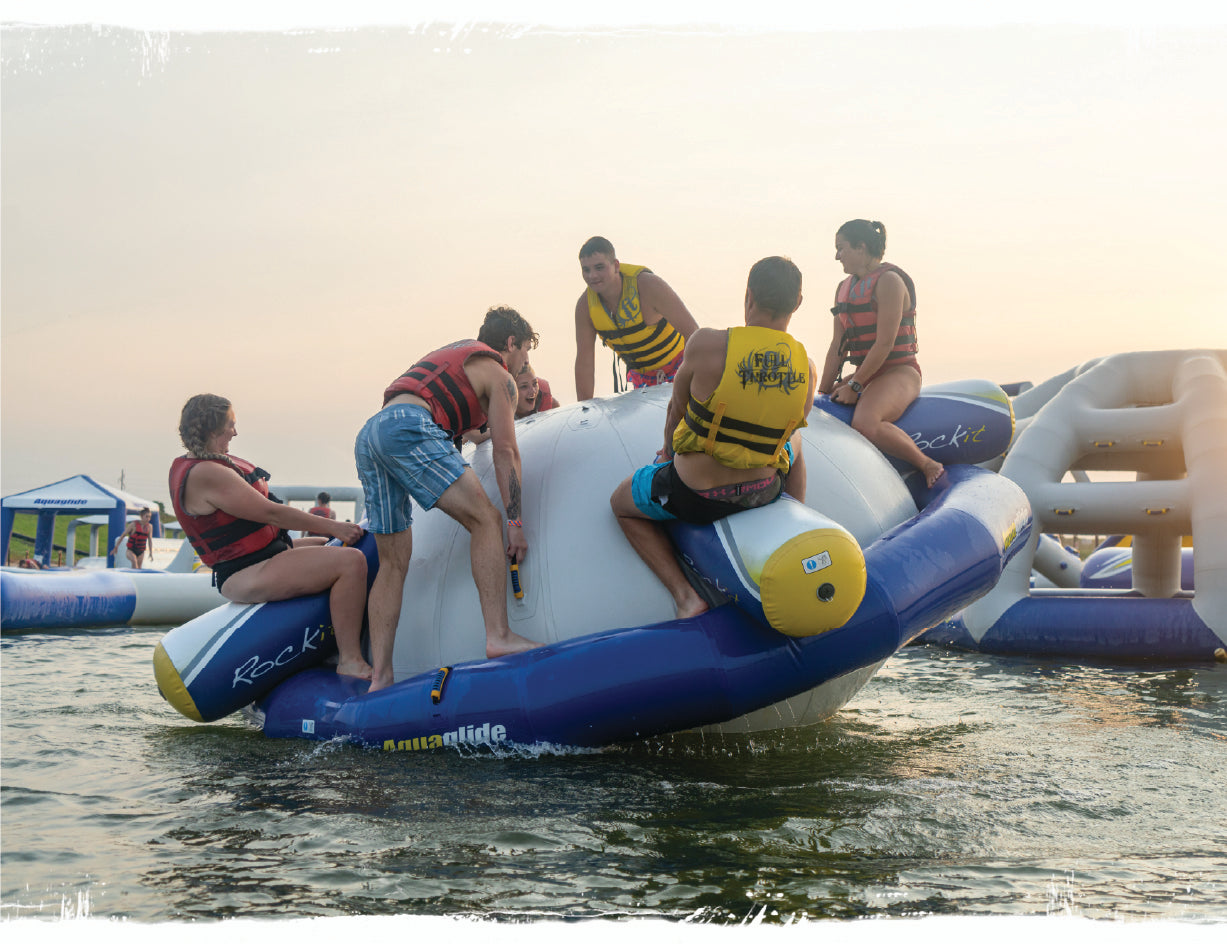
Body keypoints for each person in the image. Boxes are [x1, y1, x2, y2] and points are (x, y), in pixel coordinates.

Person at [610, 256, 817, 620]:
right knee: (796, 445)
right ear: (797, 303)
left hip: (695, 496)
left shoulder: (707, 344)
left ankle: (685, 598)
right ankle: (791, 522)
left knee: (621, 504)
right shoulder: (807, 367)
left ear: (748, 296)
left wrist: (666, 455)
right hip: (762, 491)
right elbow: (791, 425)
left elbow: (676, 412)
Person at [355, 306, 545, 693]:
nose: (526, 363)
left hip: (372, 432)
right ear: (511, 343)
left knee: (393, 563)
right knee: (486, 521)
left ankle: (381, 677)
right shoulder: (500, 374)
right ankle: (499, 635)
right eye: (525, 351)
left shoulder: (460, 355)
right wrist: (515, 522)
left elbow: (460, 420)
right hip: (409, 426)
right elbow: (506, 450)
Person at [170, 394, 372, 680]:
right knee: (349, 562)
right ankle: (350, 659)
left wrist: (331, 536)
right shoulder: (206, 473)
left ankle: (330, 644)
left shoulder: (202, 464)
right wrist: (335, 527)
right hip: (245, 571)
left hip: (264, 555)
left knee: (328, 548)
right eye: (230, 424)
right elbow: (272, 514)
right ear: (214, 429)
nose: (235, 432)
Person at [819, 219, 944, 488]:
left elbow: (885, 343)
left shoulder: (889, 282)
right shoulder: (844, 289)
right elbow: (836, 347)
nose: (837, 255)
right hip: (869, 373)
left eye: (841, 248)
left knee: (865, 423)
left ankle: (926, 463)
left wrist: (854, 384)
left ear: (861, 247)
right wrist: (822, 393)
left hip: (900, 371)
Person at [574, 236, 699, 401]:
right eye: (586, 270)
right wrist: (585, 409)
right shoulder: (585, 308)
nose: (592, 276)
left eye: (599, 267)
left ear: (616, 266)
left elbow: (694, 334)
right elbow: (585, 364)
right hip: (643, 382)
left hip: (680, 370)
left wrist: (699, 378)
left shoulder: (648, 286)